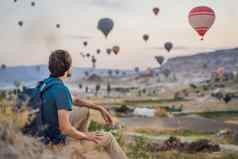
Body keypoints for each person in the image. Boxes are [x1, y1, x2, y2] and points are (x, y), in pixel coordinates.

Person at [41, 50, 127, 159]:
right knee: (109, 138)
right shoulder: (61, 90)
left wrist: (99, 108)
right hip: (60, 144)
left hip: (47, 133)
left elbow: (76, 101)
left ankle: (80, 140)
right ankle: (81, 144)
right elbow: (65, 128)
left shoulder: (46, 84)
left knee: (85, 110)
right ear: (67, 67)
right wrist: (87, 136)